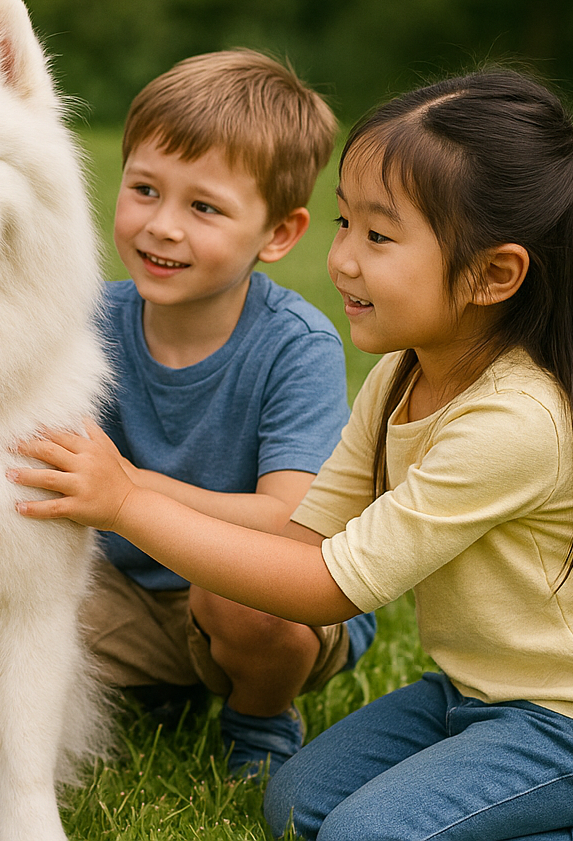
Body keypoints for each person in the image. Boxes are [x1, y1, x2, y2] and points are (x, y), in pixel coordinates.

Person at [15, 69, 573, 840]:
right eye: (345, 224)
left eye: (377, 236)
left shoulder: (516, 421)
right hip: (481, 692)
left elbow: (323, 587)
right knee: (297, 804)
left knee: (362, 836)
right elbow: (306, 532)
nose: (342, 259)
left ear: (493, 274)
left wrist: (129, 500)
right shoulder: (400, 375)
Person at [76, 49, 372, 777]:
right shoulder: (86, 322)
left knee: (247, 606)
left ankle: (259, 715)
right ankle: (160, 685)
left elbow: (290, 520)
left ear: (278, 234)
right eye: (144, 189)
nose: (162, 226)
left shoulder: (295, 346)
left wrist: (124, 490)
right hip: (126, 589)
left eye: (203, 207)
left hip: (267, 592)